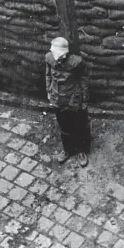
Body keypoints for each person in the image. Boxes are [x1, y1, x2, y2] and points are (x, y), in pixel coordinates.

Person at [45, 36, 91, 166]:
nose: (56, 57)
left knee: (79, 125)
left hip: (73, 100)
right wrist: (49, 91)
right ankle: (67, 149)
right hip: (58, 100)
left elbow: (84, 80)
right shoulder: (49, 58)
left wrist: (84, 100)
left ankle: (81, 150)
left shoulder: (77, 62)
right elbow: (48, 74)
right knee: (64, 125)